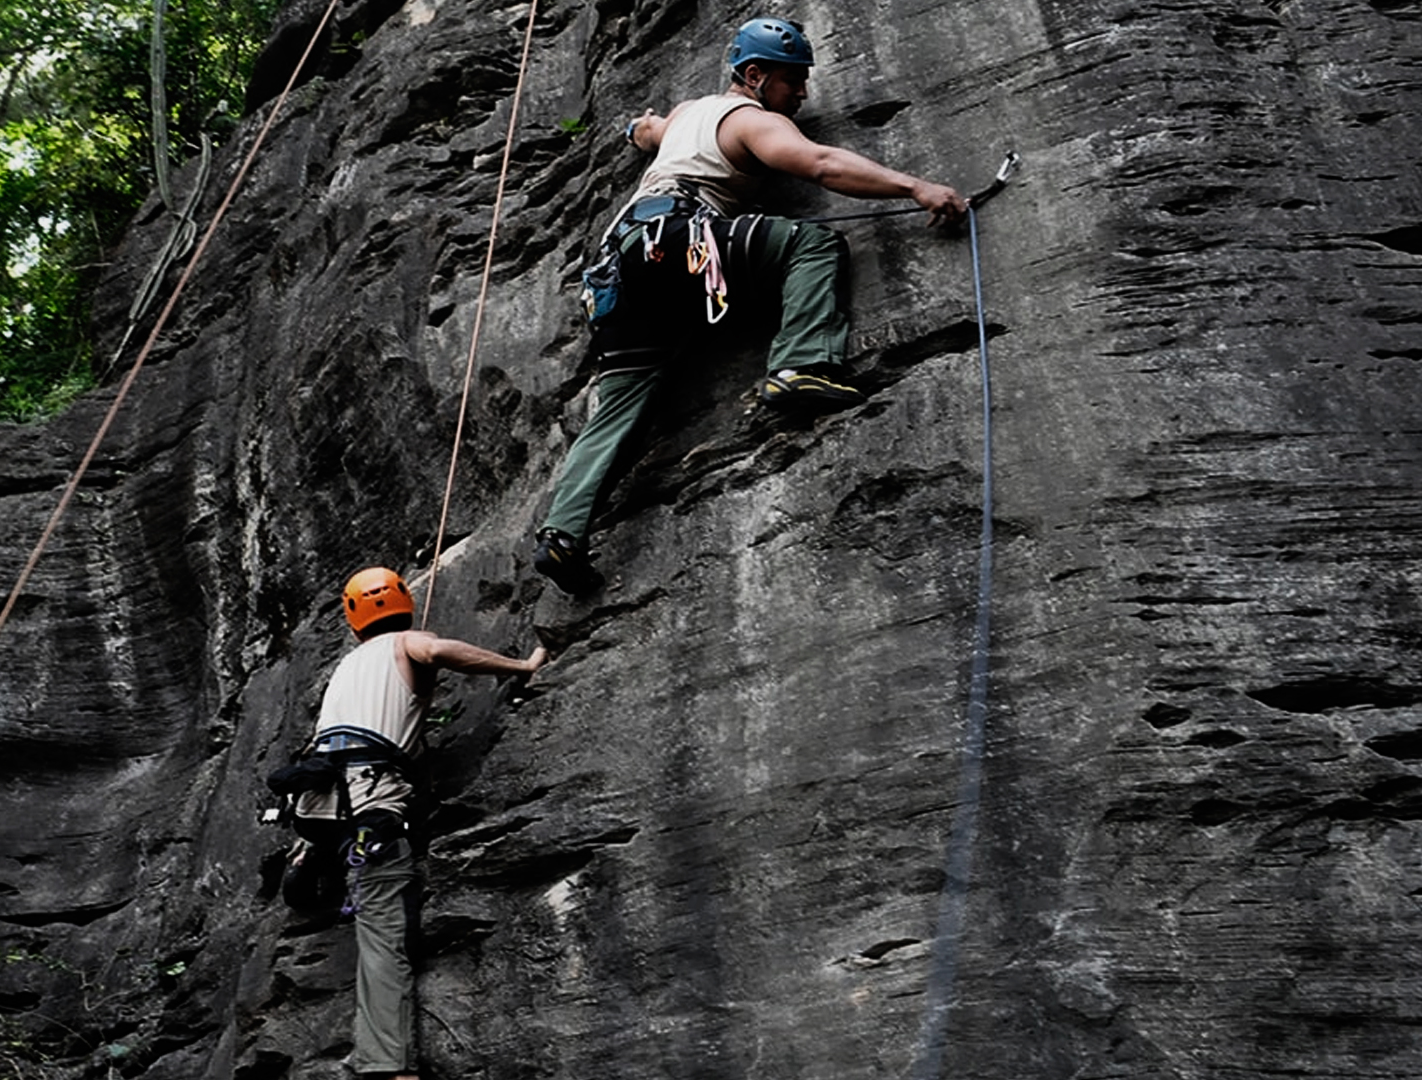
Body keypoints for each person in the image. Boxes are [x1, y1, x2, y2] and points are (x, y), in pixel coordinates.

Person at [532, 16, 970, 595]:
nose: (803, 93)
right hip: (678, 241)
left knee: (623, 401)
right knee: (811, 242)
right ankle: (802, 365)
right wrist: (915, 187)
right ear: (756, 75)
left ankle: (562, 534)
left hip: (618, 270)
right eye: (793, 81)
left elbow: (649, 130)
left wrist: (638, 128)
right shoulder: (749, 120)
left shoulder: (689, 114)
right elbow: (820, 165)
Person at [278, 567, 547, 1080]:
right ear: (403, 604)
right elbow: (442, 653)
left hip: (319, 807)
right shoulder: (409, 640)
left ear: (355, 620)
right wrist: (519, 666)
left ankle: (308, 852)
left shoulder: (345, 668)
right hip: (371, 813)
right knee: (382, 936)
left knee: (364, 801)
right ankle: (388, 1066)